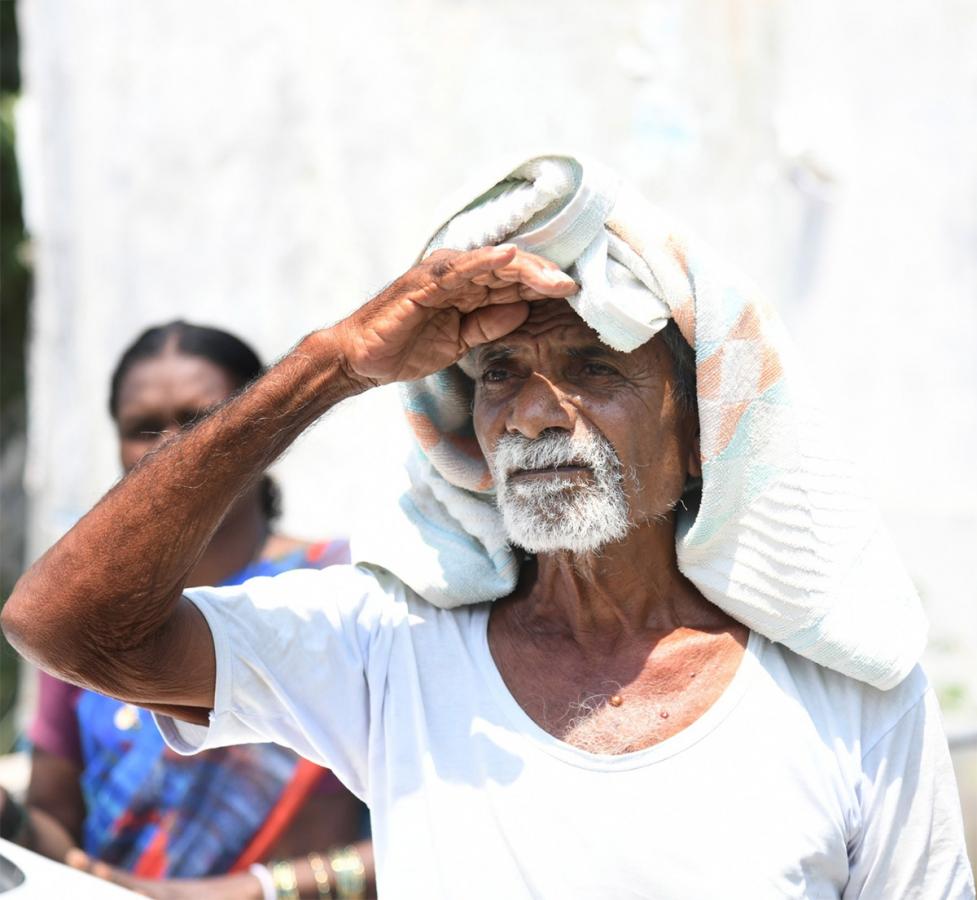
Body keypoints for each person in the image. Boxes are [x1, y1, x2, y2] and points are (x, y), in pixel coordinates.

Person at [2, 156, 973, 898]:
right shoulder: (390, 645)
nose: (534, 413)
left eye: (594, 368)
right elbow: (64, 628)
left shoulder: (847, 691)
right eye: (499, 374)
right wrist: (336, 361)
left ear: (696, 433)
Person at [0, 321, 374, 899]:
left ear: (261, 436)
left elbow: (434, 807)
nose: (172, 445)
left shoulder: (342, 587)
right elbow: (54, 815)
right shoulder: (84, 618)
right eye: (141, 428)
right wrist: (11, 817)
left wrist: (247, 891)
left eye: (202, 420)